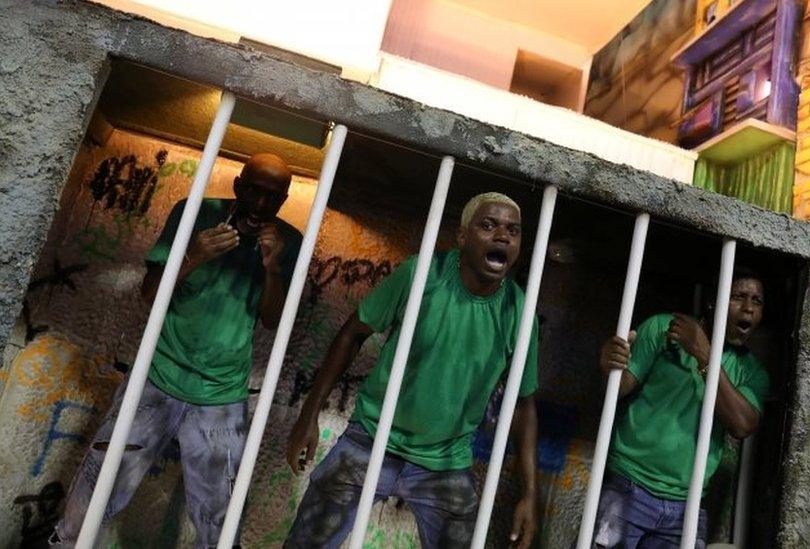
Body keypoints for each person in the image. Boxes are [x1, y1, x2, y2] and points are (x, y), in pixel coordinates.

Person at [52, 153, 302, 547]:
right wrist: (194, 256)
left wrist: (272, 269)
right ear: (238, 185)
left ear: (284, 200)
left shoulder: (288, 242)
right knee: (97, 489)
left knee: (220, 522)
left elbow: (273, 320)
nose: (261, 205)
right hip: (158, 376)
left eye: (274, 197)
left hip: (221, 394)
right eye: (254, 191)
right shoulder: (194, 214)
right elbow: (150, 294)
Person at [285, 192, 539, 549]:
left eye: (513, 231)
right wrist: (308, 415)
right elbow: (352, 334)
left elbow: (523, 402)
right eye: (488, 225)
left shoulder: (519, 311)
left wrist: (530, 494)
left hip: (446, 461)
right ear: (463, 237)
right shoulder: (422, 274)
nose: (502, 236)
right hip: (372, 438)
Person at [592, 269, 770, 548]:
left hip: (687, 506)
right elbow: (619, 387)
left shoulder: (751, 372)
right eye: (738, 297)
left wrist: (704, 354)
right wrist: (608, 364)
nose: (748, 308)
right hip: (628, 486)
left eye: (757, 301)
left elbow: (742, 425)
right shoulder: (664, 328)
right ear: (714, 300)